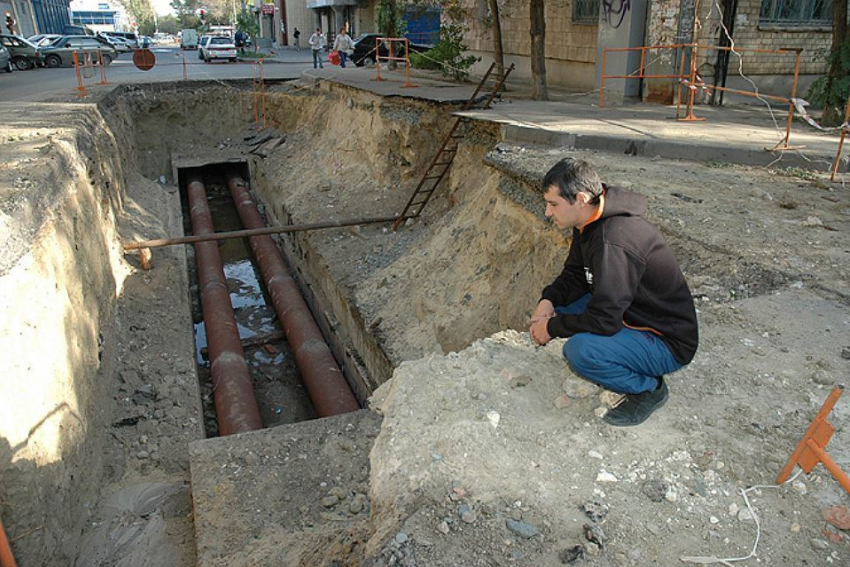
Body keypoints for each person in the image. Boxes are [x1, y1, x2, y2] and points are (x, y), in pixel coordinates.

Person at [529, 158, 698, 426]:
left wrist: (552, 328)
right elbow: (576, 275)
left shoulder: (613, 240)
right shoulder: (590, 220)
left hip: (665, 340)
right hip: (632, 311)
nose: (548, 212)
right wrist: (548, 300)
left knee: (581, 352)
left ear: (581, 198)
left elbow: (605, 319)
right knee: (560, 310)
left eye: (553, 204)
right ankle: (615, 350)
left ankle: (648, 388)